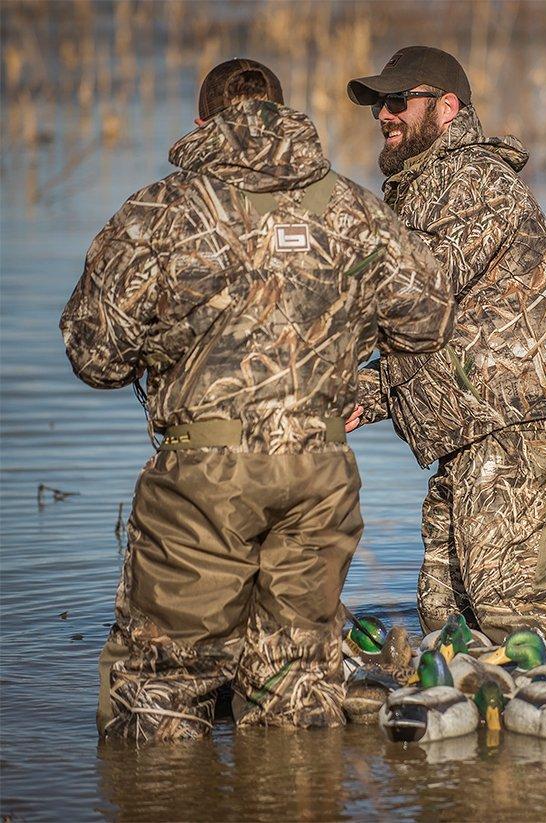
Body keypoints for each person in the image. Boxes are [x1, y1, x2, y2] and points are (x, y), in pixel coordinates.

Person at [61, 58, 453, 740]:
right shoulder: (351, 207)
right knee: (297, 694)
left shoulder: (162, 210)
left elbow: (93, 354)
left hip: (205, 478)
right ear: (283, 113)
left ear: (203, 123)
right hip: (318, 477)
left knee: (163, 694)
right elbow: (428, 319)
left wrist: (168, 345)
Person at [345, 47, 546, 643]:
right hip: (470, 436)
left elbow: (415, 294)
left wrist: (314, 350)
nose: (384, 114)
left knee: (518, 618)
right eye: (380, 104)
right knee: (445, 622)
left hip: (523, 435)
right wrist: (361, 390)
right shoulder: (422, 192)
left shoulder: (473, 180)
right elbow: (440, 334)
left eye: (398, 100)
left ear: (448, 106)